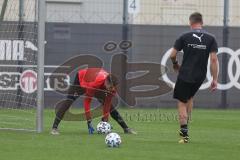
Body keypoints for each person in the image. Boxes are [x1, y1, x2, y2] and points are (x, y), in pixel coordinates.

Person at [170, 12, 219, 143]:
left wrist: (175, 64)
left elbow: (172, 54)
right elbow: (214, 60)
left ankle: (184, 134)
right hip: (200, 76)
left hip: (185, 74)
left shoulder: (184, 36)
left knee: (181, 102)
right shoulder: (211, 38)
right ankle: (187, 120)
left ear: (190, 23)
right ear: (202, 23)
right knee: (190, 97)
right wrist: (214, 79)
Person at [51, 68, 136, 135]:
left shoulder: (112, 88)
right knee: (68, 102)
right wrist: (89, 121)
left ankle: (126, 128)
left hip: (95, 81)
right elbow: (87, 101)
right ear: (106, 82)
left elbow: (107, 104)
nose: (112, 89)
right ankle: (54, 128)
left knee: (111, 107)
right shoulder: (95, 83)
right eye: (110, 87)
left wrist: (105, 121)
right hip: (81, 79)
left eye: (113, 88)